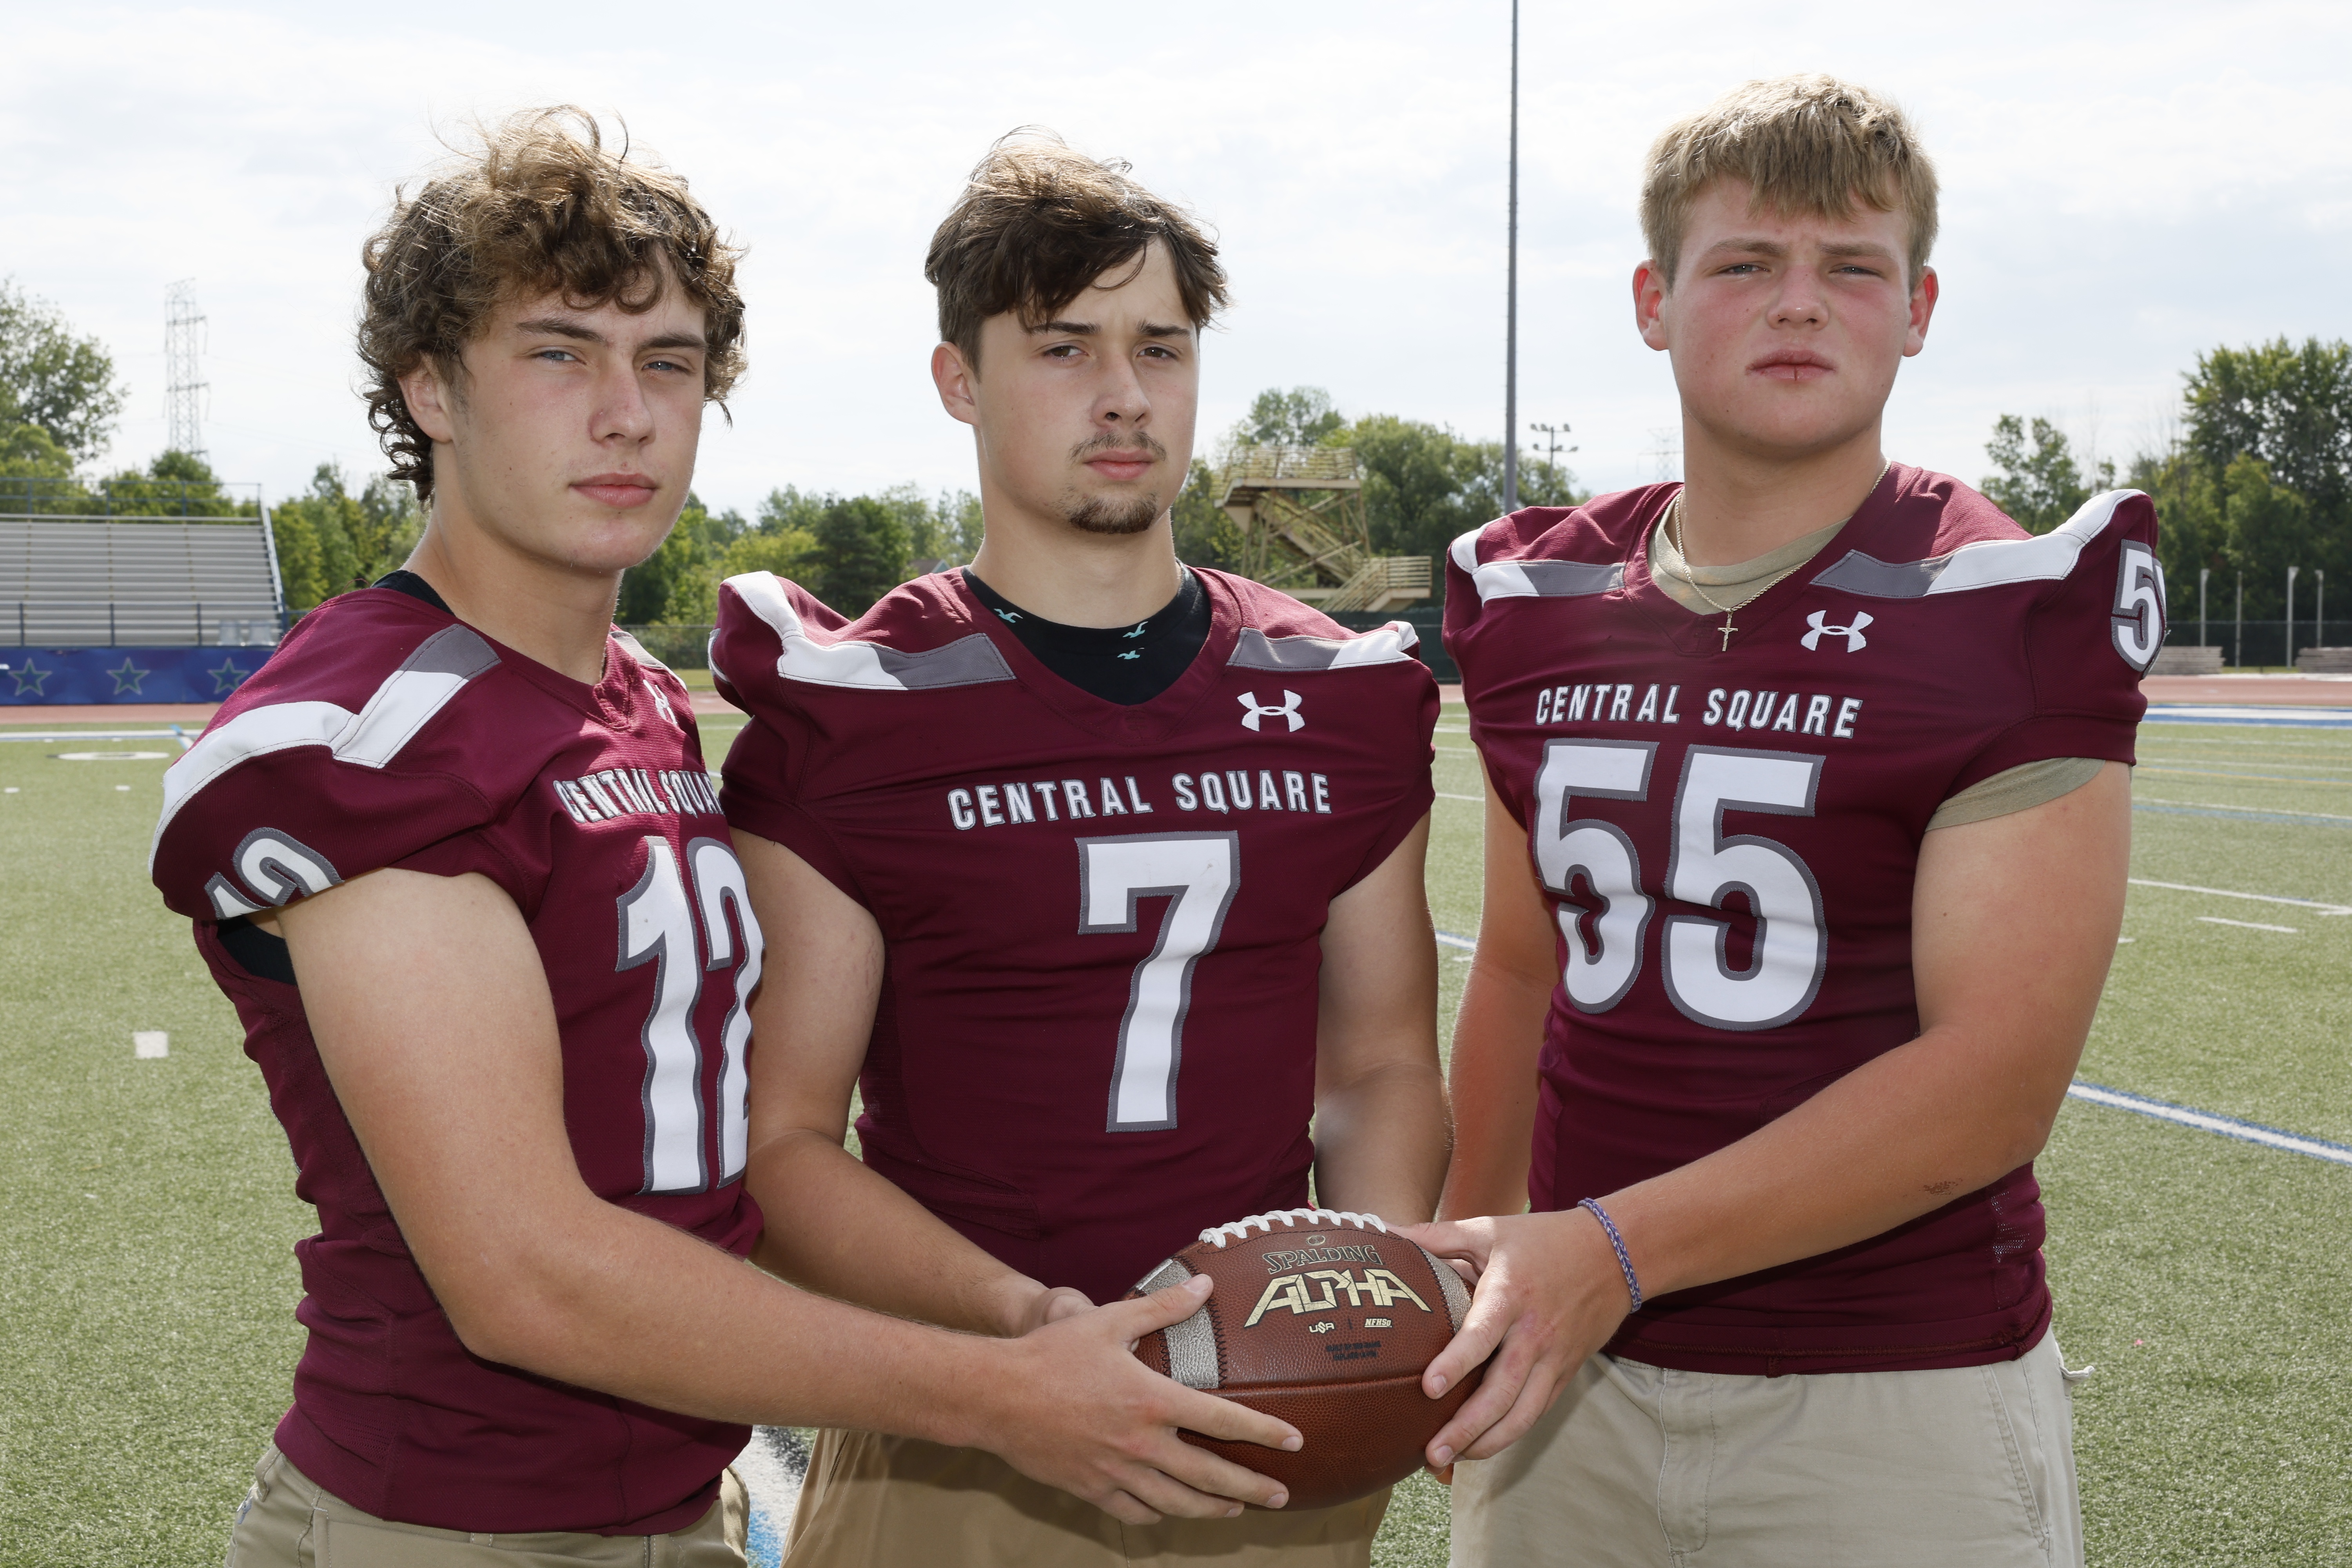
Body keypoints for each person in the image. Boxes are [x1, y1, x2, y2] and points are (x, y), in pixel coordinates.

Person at [151, 109, 1302, 1567]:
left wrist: (1021, 1319)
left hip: (664, 1502)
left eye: (670, 362)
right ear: (431, 387)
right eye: (560, 352)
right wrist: (997, 1391)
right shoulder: (374, 734)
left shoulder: (625, 695)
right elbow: (525, 1276)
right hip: (445, 1518)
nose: (627, 411)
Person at [1406, 75, 2158, 1568]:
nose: (1799, 306)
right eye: (1746, 263)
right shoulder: (1539, 595)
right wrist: (1463, 1272)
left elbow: (1990, 1087)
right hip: (1573, 1376)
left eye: (1852, 268)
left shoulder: (2000, 601)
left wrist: (1603, 1254)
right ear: (1654, 299)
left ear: (1919, 306)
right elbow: (1519, 971)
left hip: (1891, 1391)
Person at [710, 132, 1448, 1568]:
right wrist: (1027, 1335)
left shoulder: (1340, 694)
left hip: (1266, 1422)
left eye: (1160, 348)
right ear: (960, 381)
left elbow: (1378, 1065)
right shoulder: (859, 710)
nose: (1123, 395)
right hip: (961, 1427)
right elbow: (783, 1141)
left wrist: (1363, 1271)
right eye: (1063, 347)